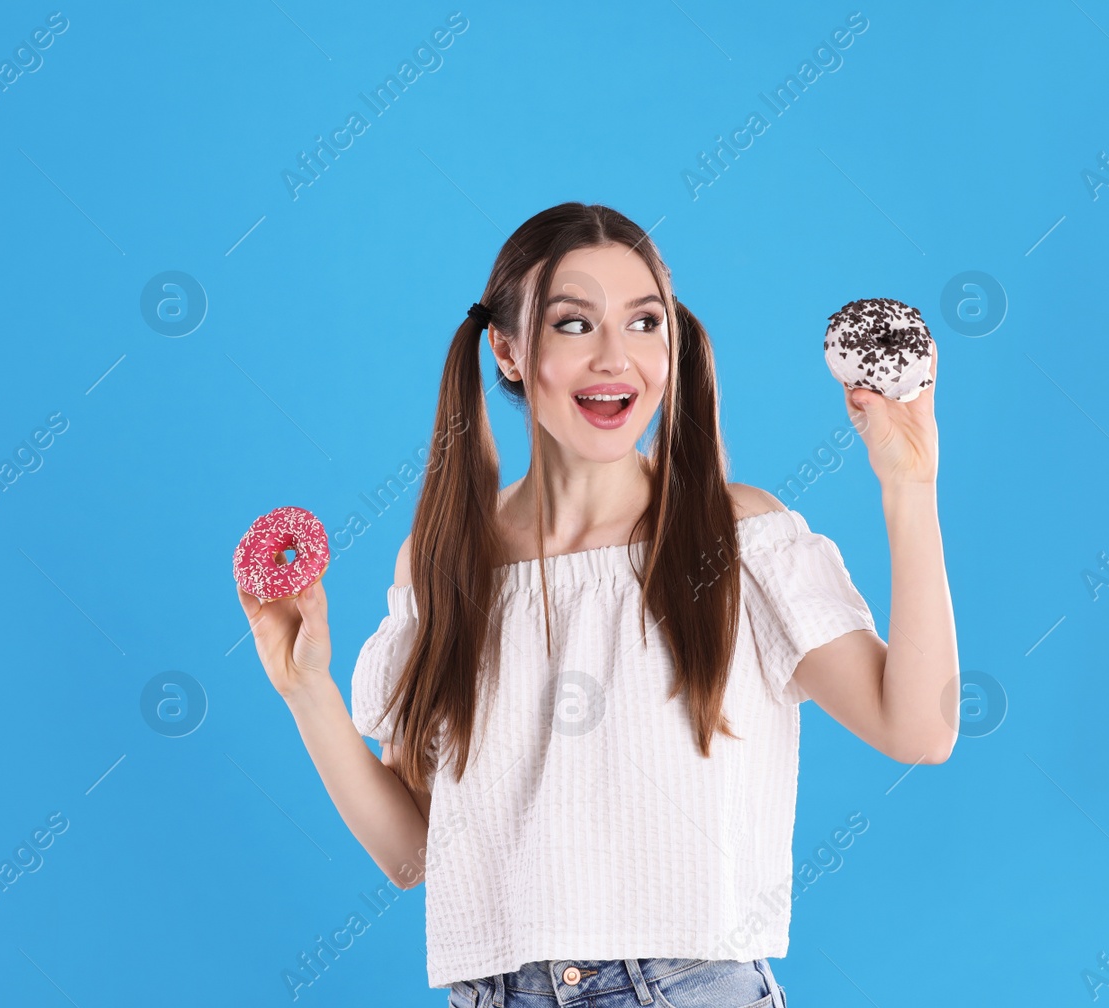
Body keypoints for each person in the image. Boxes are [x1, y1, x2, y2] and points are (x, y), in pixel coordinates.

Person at [236, 201, 959, 1007]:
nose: (617, 357)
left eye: (644, 322)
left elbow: (919, 728)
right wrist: (306, 690)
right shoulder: (444, 562)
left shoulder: (738, 539)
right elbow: (413, 857)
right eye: (574, 325)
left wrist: (909, 485)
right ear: (508, 351)